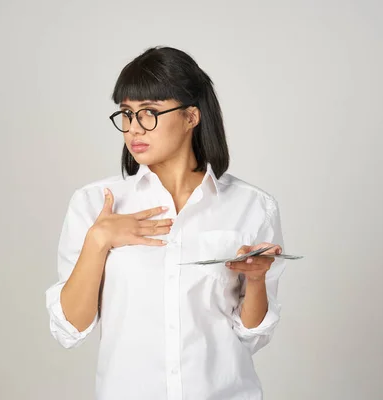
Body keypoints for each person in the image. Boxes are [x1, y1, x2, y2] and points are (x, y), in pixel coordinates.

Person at [45, 46, 287, 400]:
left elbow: (251, 334)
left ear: (191, 116)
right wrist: (99, 240)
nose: (133, 129)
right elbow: (70, 328)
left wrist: (256, 279)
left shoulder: (252, 206)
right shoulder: (93, 203)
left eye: (150, 113)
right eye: (127, 113)